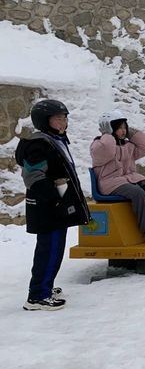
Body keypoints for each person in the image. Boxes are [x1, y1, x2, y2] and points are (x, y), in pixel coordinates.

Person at [15, 99, 90, 311]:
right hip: (48, 208)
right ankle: (38, 296)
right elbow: (33, 177)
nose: (64, 122)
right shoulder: (39, 144)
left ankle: (45, 287)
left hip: (56, 206)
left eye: (65, 117)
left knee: (54, 250)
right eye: (59, 118)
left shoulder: (55, 140)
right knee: (49, 251)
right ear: (45, 121)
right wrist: (55, 197)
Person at [90, 109, 145, 244]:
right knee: (137, 193)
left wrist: (131, 132)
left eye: (124, 127)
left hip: (131, 179)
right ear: (109, 128)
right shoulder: (98, 145)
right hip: (110, 184)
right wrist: (107, 134)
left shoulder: (128, 145)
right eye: (119, 128)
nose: (123, 131)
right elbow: (108, 151)